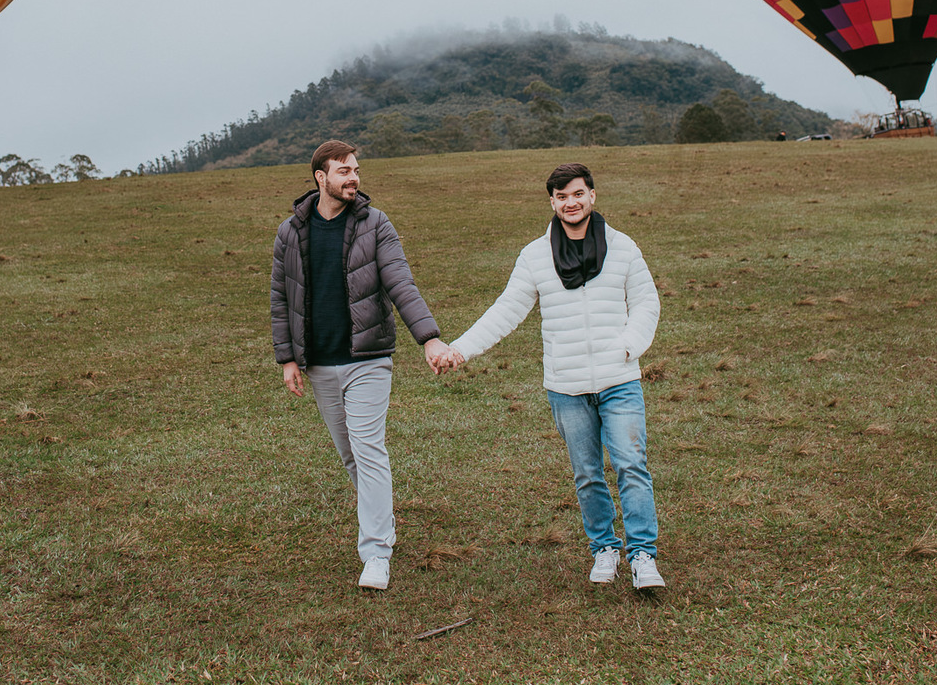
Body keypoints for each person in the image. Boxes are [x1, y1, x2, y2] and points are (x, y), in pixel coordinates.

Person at [443, 161, 665, 591]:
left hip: (619, 380)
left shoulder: (623, 247)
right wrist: (460, 349)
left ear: (592, 196)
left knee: (631, 466)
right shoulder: (534, 256)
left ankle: (642, 556)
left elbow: (646, 304)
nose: (571, 203)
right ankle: (604, 547)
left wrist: (627, 346)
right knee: (586, 473)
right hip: (566, 386)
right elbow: (506, 311)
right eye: (562, 197)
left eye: (578, 194)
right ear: (552, 202)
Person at [270, 140, 454, 591]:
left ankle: (375, 553)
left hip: (368, 358)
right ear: (320, 178)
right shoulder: (290, 232)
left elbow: (400, 281)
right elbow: (280, 297)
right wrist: (288, 358)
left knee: (368, 448)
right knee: (352, 455)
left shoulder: (375, 224)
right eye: (343, 171)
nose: (353, 178)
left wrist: (428, 339)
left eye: (356, 169)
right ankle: (383, 518)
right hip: (319, 364)